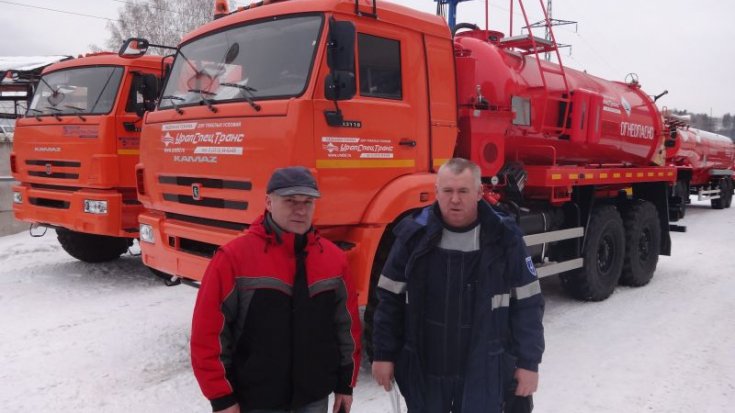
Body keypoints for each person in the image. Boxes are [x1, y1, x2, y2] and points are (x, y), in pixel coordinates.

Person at [371, 158, 544, 413]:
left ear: (479, 193)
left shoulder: (504, 238)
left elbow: (528, 304)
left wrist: (529, 363)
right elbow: (389, 300)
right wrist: (383, 354)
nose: (455, 199)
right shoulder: (413, 237)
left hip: (485, 369)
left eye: (463, 191)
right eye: (447, 190)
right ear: (436, 192)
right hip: (426, 370)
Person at [191, 166, 361, 413]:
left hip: (313, 397)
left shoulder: (334, 259)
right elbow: (208, 333)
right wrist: (221, 397)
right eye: (290, 201)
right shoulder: (234, 258)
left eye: (308, 202)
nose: (301, 210)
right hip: (256, 400)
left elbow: (346, 328)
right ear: (269, 202)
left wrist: (346, 384)